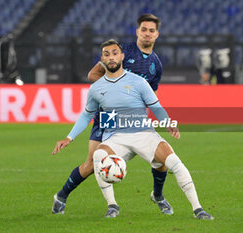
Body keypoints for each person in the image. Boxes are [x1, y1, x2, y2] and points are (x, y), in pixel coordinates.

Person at [52, 39, 214, 220]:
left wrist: (168, 123)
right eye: (107, 54)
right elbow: (86, 115)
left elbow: (156, 106)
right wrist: (69, 137)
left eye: (115, 53)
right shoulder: (96, 89)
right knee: (97, 156)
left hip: (144, 134)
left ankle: (197, 209)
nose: (111, 57)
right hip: (116, 138)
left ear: (122, 56)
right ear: (102, 60)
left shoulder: (138, 82)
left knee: (174, 162)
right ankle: (112, 206)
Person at [52, 14, 173, 216]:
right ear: (138, 32)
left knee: (159, 158)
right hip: (107, 116)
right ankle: (62, 196)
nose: (147, 34)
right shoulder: (121, 51)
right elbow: (92, 75)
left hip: (134, 120)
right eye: (144, 30)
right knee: (92, 164)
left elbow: (151, 95)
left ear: (157, 35)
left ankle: (158, 196)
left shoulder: (156, 64)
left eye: (151, 31)